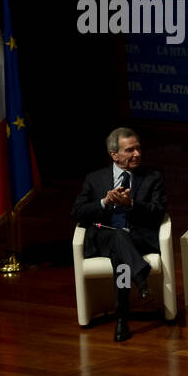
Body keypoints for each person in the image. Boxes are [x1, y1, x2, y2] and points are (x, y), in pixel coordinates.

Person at [71, 127, 167, 342]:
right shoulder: (95, 179)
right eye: (130, 150)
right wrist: (104, 202)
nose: (137, 154)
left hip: (136, 238)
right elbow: (77, 212)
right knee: (116, 238)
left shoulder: (153, 178)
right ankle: (140, 279)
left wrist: (132, 204)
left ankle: (122, 318)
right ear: (114, 155)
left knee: (121, 256)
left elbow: (159, 212)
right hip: (103, 237)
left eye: (139, 149)